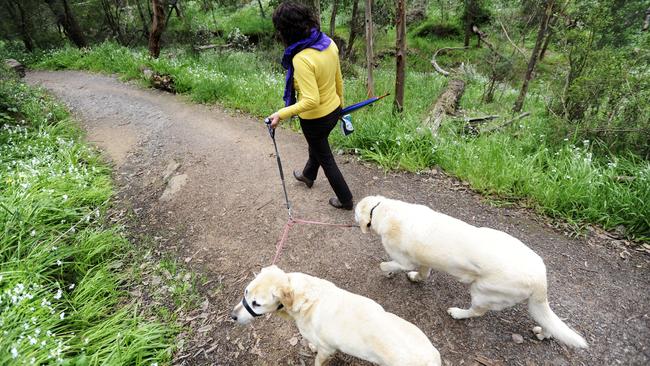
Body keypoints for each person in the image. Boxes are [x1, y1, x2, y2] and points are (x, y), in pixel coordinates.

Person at [267, 1, 353, 210]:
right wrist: (340, 104)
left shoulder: (302, 58)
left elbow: (311, 100)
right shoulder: (327, 42)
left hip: (315, 119)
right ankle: (308, 175)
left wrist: (281, 113)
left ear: (285, 31)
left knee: (325, 157)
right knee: (318, 144)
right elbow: (338, 78)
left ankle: (346, 199)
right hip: (333, 110)